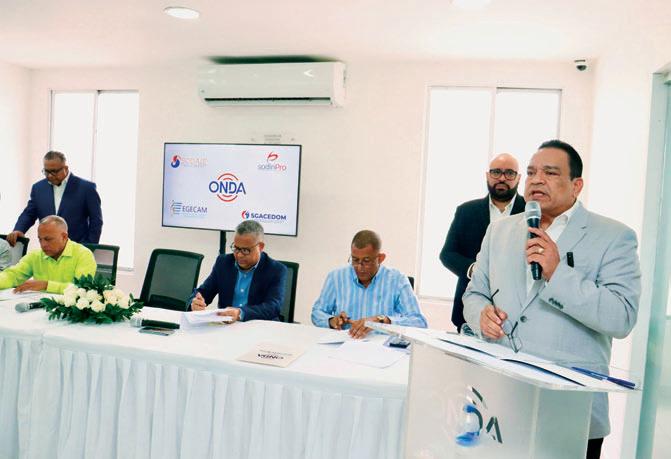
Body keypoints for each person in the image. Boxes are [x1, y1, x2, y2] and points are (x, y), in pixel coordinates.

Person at [462, 140, 641, 459]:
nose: (537, 180)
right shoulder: (499, 231)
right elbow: (474, 293)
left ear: (576, 185)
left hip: (570, 410)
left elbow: (621, 317)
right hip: (500, 403)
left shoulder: (614, 236)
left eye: (550, 172)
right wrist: (481, 315)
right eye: (531, 172)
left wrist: (558, 274)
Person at [440, 153, 525, 331]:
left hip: (518, 314)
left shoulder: (532, 211)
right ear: (487, 175)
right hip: (469, 313)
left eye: (509, 173)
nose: (502, 178)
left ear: (518, 178)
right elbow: (447, 254)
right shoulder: (466, 211)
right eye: (496, 172)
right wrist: (474, 269)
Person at [312, 230, 427, 338]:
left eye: (366, 261)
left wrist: (382, 320)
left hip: (382, 348)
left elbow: (419, 322)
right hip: (344, 343)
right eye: (355, 260)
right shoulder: (336, 277)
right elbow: (317, 312)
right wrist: (332, 321)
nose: (359, 267)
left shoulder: (397, 280)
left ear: (380, 258)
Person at [188, 220, 287, 322]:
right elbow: (203, 292)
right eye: (236, 248)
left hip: (260, 326)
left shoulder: (276, 270)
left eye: (245, 250)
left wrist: (240, 313)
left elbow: (273, 307)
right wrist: (194, 303)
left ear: (260, 247)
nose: (239, 255)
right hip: (226, 326)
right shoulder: (223, 263)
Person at [6, 151, 103, 247]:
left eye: (54, 171)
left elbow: (96, 221)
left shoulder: (86, 188)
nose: (50, 175)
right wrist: (19, 230)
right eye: (46, 171)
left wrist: (89, 246)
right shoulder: (38, 188)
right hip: (47, 249)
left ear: (65, 168)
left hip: (78, 249)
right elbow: (29, 214)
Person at [0, 216, 96, 294]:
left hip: (68, 310)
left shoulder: (83, 254)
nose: (43, 244)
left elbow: (82, 289)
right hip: (37, 308)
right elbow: (12, 275)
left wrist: (46, 285)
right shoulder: (35, 255)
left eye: (48, 239)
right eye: (40, 239)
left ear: (64, 236)